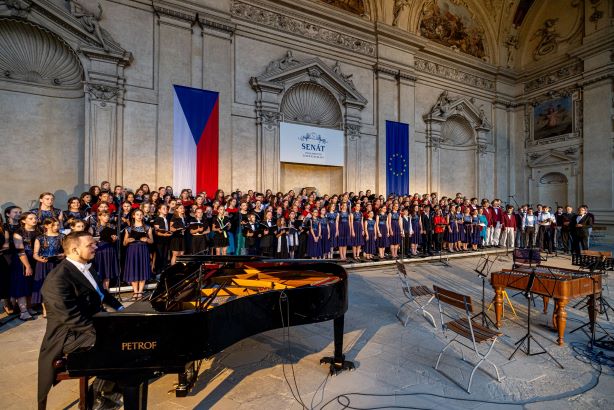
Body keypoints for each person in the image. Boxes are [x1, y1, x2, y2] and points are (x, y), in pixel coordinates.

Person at [38, 231, 124, 409]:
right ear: (75, 250)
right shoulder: (58, 279)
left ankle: (114, 385)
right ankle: (101, 397)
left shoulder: (88, 267)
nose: (96, 247)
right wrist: (103, 330)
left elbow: (102, 294)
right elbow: (71, 318)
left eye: (95, 244)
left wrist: (121, 310)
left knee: (132, 336)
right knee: (119, 344)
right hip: (68, 336)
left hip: (91, 324)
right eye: (90, 245)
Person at [31, 218, 64, 317]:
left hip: (57, 263)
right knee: (43, 285)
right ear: (46, 226)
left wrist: (63, 254)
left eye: (58, 225)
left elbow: (67, 250)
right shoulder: (40, 238)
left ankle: (58, 307)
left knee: (58, 285)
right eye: (53, 225)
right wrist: (39, 259)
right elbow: (35, 254)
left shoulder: (62, 237)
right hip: (44, 264)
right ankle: (45, 309)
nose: (56, 227)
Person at [11, 212, 39, 320]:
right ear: (23, 220)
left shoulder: (39, 231)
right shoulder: (18, 233)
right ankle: (23, 311)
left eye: (35, 218)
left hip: (35, 259)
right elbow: (21, 251)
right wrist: (27, 266)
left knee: (31, 284)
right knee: (21, 285)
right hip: (22, 261)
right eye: (31, 218)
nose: (34, 220)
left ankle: (30, 307)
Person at [123, 209, 153, 300]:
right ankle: (135, 291)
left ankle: (140, 291)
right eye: (137, 214)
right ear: (133, 216)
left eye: (141, 214)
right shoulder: (128, 228)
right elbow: (124, 243)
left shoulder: (147, 227)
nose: (139, 216)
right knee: (134, 269)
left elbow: (152, 241)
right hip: (132, 250)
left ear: (143, 216)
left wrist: (147, 240)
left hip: (143, 249)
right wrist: (127, 240)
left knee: (142, 269)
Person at [93, 211, 120, 290]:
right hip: (99, 250)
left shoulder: (112, 226)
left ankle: (106, 293)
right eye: (104, 216)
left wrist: (115, 239)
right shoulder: (95, 227)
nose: (107, 217)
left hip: (109, 249)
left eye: (108, 216)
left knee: (107, 272)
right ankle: (98, 293)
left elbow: (114, 239)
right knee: (99, 271)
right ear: (99, 217)